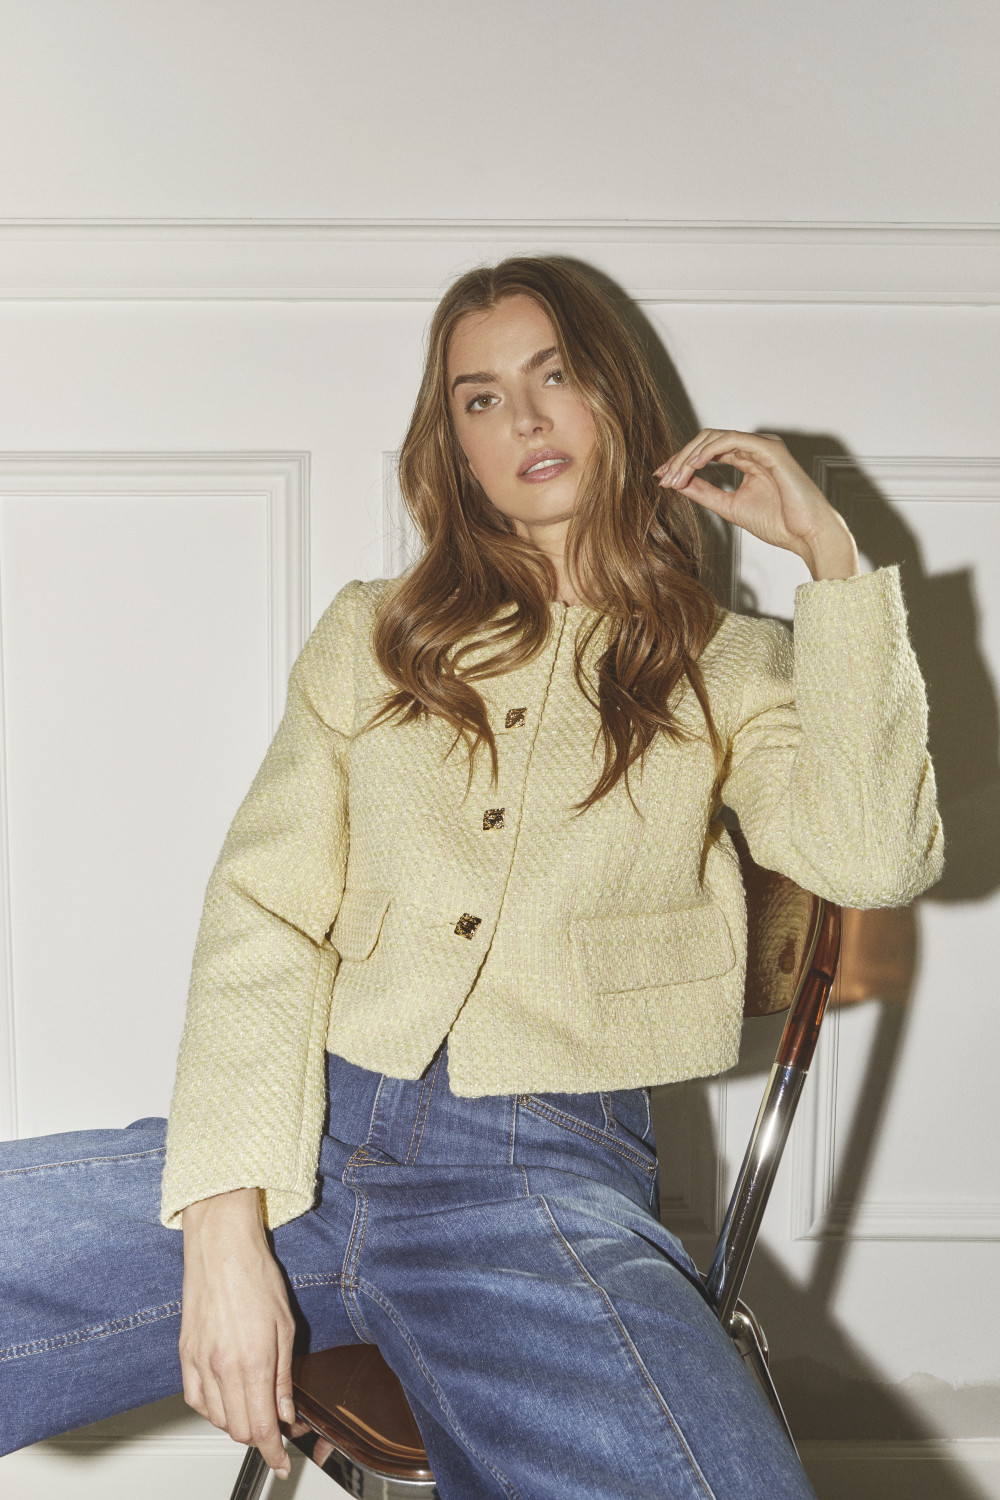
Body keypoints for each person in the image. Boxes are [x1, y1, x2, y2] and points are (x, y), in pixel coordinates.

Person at [0, 257, 943, 1498]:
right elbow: (263, 914)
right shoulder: (373, 634)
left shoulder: (731, 664)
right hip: (304, 1134)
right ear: (454, 447)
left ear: (616, 400)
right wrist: (225, 1220)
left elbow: (873, 856)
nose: (526, 420)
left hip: (542, 1185)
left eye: (555, 376)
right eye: (481, 399)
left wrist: (831, 561)